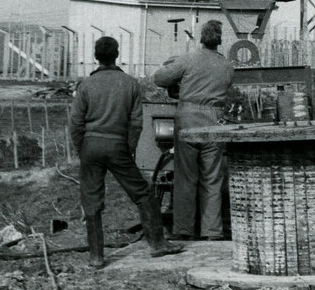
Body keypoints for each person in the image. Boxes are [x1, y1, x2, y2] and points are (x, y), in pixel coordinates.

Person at [69, 35, 183, 269]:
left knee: (91, 201)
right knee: (142, 194)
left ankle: (96, 257)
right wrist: (128, 149)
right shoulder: (130, 83)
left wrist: (82, 149)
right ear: (117, 55)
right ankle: (157, 244)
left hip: (90, 145)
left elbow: (75, 123)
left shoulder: (85, 85)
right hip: (117, 145)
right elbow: (136, 123)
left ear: (95, 57)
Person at [153, 19, 234, 241]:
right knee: (212, 178)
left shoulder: (188, 59)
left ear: (201, 38)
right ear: (220, 40)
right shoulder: (227, 65)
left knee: (186, 177)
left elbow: (159, 78)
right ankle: (212, 231)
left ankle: (183, 229)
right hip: (214, 121)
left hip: (188, 119)